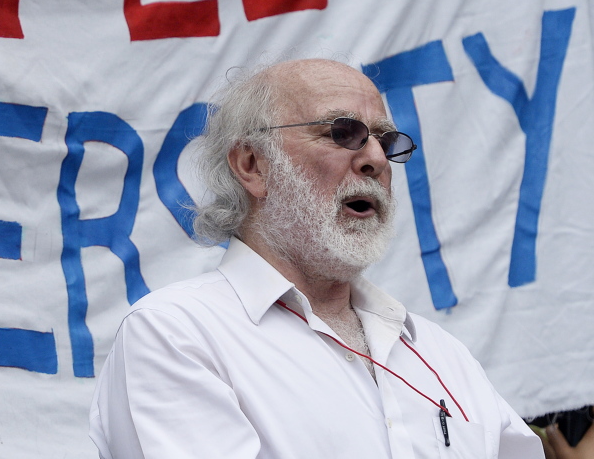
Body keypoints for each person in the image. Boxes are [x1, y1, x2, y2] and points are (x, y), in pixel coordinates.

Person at [89, 59, 542, 459]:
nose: (376, 160)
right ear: (252, 165)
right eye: (342, 134)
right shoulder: (178, 334)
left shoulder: (441, 355)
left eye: (385, 141)